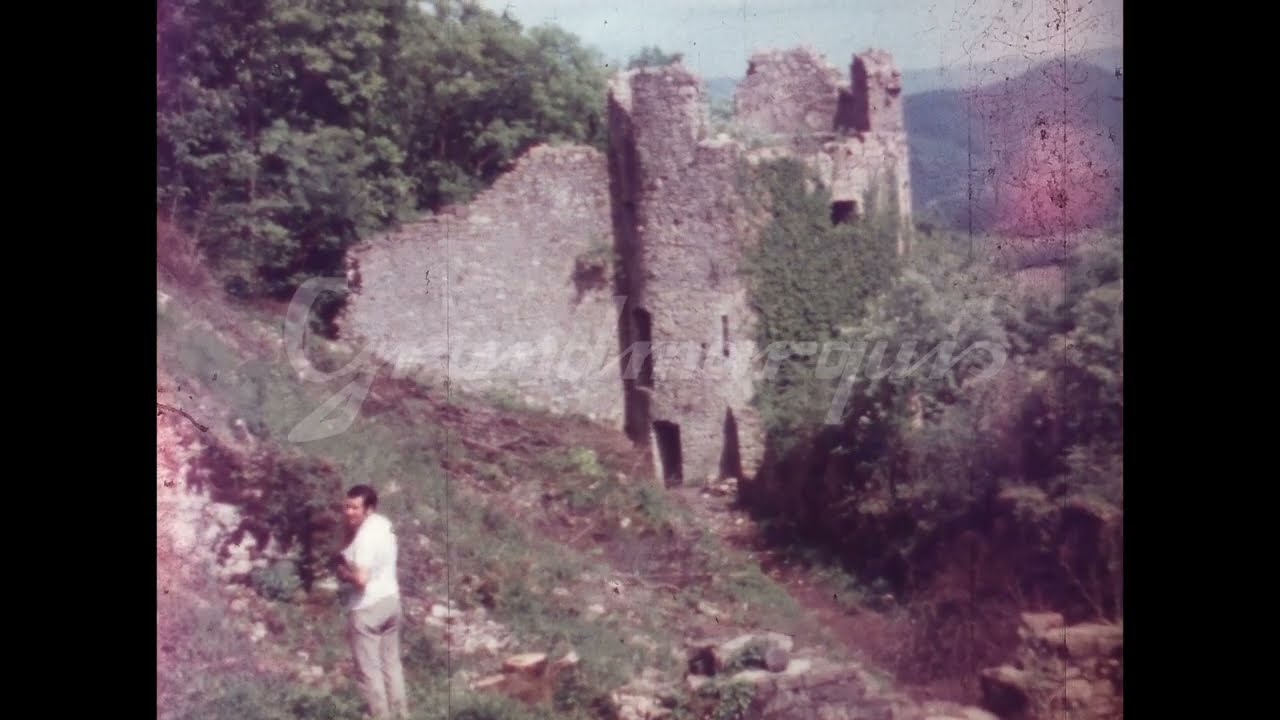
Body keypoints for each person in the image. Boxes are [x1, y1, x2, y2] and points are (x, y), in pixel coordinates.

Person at [336, 485, 408, 719]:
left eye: (355, 507)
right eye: (346, 506)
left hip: (367, 608)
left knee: (369, 673)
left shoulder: (365, 538)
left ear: (369, 509)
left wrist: (344, 573)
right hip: (390, 601)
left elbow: (360, 579)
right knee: (391, 666)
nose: (348, 512)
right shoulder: (383, 525)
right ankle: (400, 715)